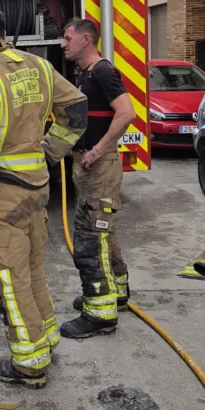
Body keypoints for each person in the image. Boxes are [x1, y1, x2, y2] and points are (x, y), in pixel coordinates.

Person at [0, 5, 88, 389]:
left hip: (2, 192)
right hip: (36, 188)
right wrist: (50, 152)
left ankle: (29, 363)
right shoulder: (38, 66)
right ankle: (46, 338)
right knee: (32, 268)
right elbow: (77, 110)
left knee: (7, 276)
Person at [60, 19, 137, 340]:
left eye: (67, 38)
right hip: (87, 169)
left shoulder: (103, 71)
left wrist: (97, 149)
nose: (62, 43)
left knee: (91, 240)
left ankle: (100, 313)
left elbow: (127, 112)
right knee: (104, 234)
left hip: (100, 167)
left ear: (86, 39)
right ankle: (115, 292)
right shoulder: (84, 74)